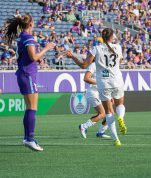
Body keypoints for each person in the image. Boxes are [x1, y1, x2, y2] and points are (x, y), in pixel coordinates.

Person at [66, 28, 127, 146]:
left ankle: (116, 140)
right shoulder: (118, 47)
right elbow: (120, 60)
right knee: (120, 104)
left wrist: (72, 57)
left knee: (108, 112)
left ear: (102, 37)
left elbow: (84, 65)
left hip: (104, 83)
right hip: (117, 80)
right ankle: (121, 118)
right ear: (112, 36)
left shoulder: (96, 49)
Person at [2, 14, 55, 151]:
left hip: (23, 74)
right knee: (32, 108)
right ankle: (30, 139)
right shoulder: (28, 38)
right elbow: (33, 57)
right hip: (27, 74)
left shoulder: (22, 37)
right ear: (30, 24)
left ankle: (27, 138)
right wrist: (46, 48)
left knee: (29, 107)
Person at [79, 62, 110, 139]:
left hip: (102, 93)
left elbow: (106, 82)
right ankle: (83, 126)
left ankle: (101, 132)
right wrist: (99, 83)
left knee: (109, 112)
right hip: (93, 93)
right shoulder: (94, 65)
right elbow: (86, 78)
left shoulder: (107, 66)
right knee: (102, 114)